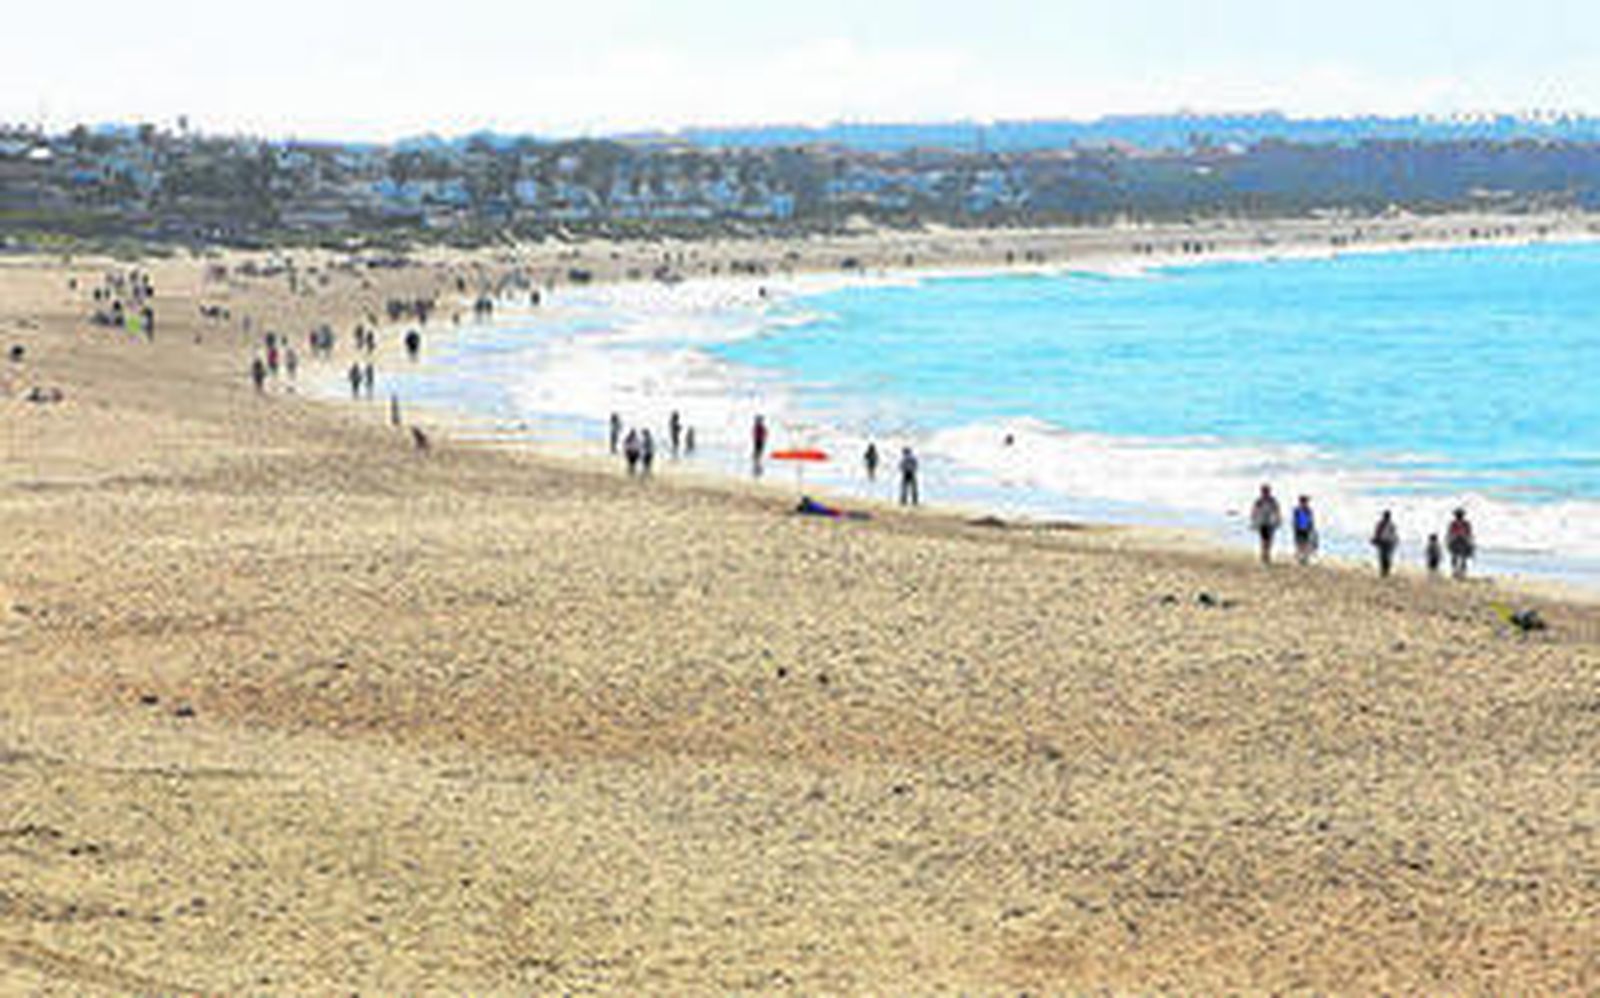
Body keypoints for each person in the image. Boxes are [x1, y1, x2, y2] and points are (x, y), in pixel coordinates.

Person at [1249, 485, 1283, 565]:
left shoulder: (1272, 500)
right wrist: (1254, 521)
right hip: (1262, 523)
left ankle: (1266, 556)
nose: (1265, 493)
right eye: (1264, 491)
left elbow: (1277, 510)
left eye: (1266, 491)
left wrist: (1278, 520)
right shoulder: (1259, 501)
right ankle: (1264, 557)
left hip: (1270, 523)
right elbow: (1254, 511)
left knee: (1269, 541)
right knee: (1264, 540)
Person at [1447, 508, 1475, 579]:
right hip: (1458, 539)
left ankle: (1459, 572)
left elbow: (1469, 533)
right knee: (1459, 557)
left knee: (1459, 557)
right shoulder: (1456, 523)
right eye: (1458, 515)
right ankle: (1457, 571)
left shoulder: (1463, 523)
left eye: (1459, 515)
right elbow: (1469, 533)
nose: (1459, 516)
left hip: (1461, 539)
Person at [1371, 510, 1400, 577]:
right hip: (1385, 543)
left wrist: (1395, 541)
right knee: (1384, 557)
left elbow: (1394, 534)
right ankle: (1384, 571)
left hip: (1387, 543)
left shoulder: (1388, 524)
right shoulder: (1384, 524)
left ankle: (1385, 571)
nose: (1387, 517)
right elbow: (1377, 533)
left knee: (1385, 557)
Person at [1292, 495, 1318, 565]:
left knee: (1306, 544)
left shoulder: (1308, 510)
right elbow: (1295, 521)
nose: (1305, 503)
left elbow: (1311, 521)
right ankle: (1301, 558)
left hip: (1306, 530)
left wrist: (1312, 529)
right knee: (1300, 544)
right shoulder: (1297, 510)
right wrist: (1295, 528)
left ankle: (1304, 558)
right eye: (1303, 502)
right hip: (1299, 530)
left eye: (1306, 502)